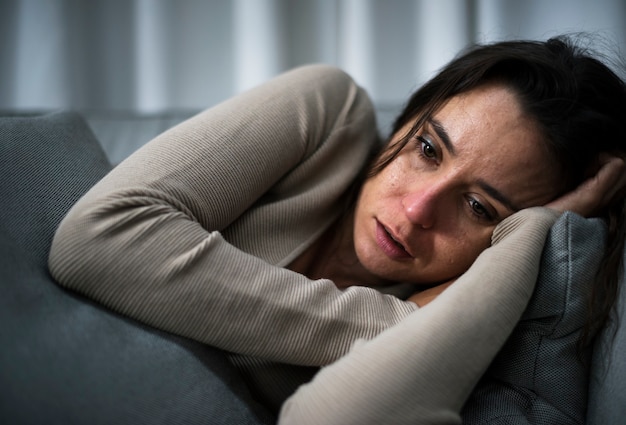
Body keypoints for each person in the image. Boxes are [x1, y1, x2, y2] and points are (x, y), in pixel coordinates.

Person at [48, 35, 626, 424]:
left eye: (479, 209)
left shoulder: (469, 327)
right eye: (426, 148)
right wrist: (401, 324)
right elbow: (96, 238)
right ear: (409, 117)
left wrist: (535, 236)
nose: (419, 207)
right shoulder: (329, 116)